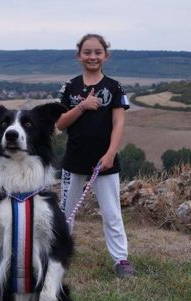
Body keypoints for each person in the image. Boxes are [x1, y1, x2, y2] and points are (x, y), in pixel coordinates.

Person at [56, 33, 135, 278]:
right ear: (79, 56)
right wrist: (81, 106)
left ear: (106, 56)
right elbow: (59, 123)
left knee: (112, 214)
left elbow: (119, 123)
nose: (93, 56)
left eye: (98, 52)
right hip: (74, 161)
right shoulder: (69, 87)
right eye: (87, 52)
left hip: (105, 162)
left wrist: (111, 153)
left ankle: (121, 260)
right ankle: (60, 256)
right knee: (65, 213)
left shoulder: (114, 87)